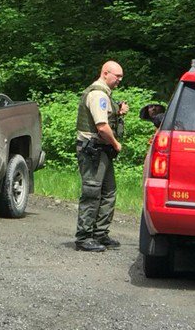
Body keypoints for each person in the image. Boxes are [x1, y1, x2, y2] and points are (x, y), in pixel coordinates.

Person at [74, 60, 128, 252]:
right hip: (93, 151)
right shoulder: (98, 95)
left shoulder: (105, 95)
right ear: (105, 73)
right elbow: (102, 127)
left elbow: (107, 120)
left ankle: (100, 234)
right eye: (117, 76)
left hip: (101, 151)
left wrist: (119, 113)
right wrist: (116, 144)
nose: (120, 80)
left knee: (108, 192)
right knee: (92, 192)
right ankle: (84, 237)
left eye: (121, 77)